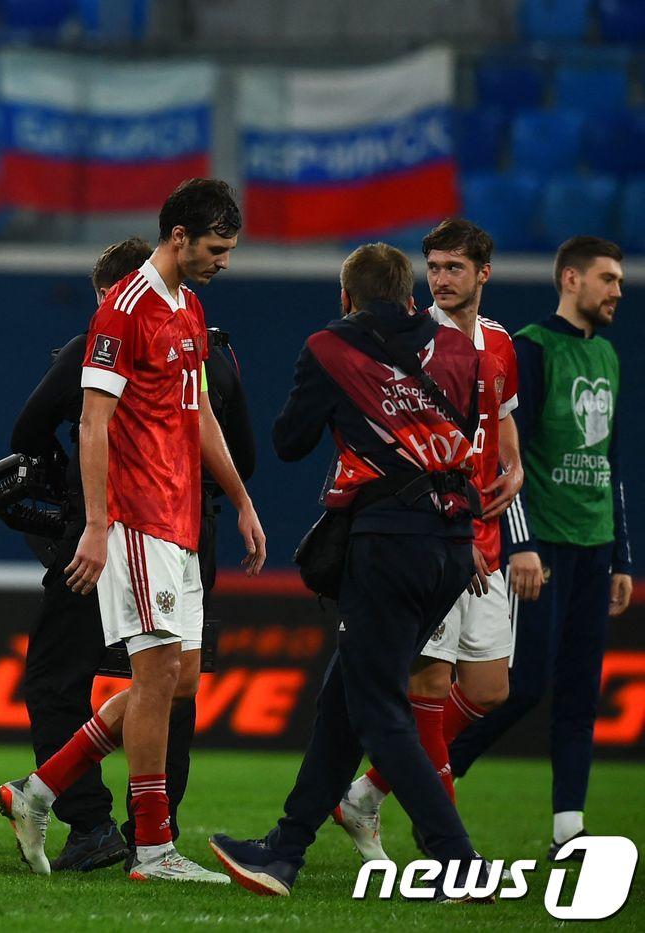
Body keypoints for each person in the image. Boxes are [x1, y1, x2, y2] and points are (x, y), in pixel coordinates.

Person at [0, 179, 265, 883]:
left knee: (178, 683)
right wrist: (95, 523)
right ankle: (152, 847)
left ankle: (39, 789)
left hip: (182, 521)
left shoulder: (189, 306)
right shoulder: (126, 309)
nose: (224, 261)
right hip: (139, 518)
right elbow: (91, 421)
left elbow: (199, 413)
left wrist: (240, 498)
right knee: (153, 681)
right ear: (179, 236)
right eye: (216, 247)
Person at [210, 243, 484, 899]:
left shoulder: (332, 347)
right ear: (411, 297)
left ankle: (457, 861)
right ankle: (285, 847)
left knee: (380, 712)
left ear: (346, 298)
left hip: (389, 544)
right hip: (452, 544)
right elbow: (464, 436)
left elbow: (289, 440)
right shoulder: (459, 352)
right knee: (345, 701)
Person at [335, 219, 526, 861]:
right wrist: (450, 530)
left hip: (487, 538)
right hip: (435, 535)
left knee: (492, 689)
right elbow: (407, 448)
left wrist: (517, 468)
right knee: (429, 686)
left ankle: (367, 794)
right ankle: (446, 848)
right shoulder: (412, 346)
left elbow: (500, 425)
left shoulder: (498, 344)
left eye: (453, 269)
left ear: (483, 274)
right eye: (434, 268)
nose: (441, 280)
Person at [448, 236, 633, 857]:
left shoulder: (608, 354)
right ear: (571, 279)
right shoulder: (529, 348)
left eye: (620, 281)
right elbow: (507, 459)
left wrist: (622, 556)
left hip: (595, 544)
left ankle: (568, 830)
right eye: (607, 279)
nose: (617, 290)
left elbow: (608, 463)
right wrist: (521, 543)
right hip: (542, 548)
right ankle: (422, 774)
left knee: (581, 691)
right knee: (523, 685)